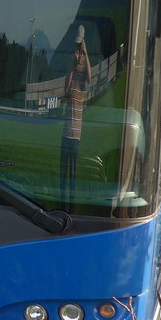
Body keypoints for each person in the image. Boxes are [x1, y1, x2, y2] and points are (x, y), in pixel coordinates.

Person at [60, 26, 93, 205]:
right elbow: (71, 75)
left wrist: (86, 54)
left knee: (73, 133)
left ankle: (68, 189)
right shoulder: (76, 58)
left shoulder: (81, 58)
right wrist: (66, 93)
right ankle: (68, 191)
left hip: (78, 98)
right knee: (70, 130)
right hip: (75, 97)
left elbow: (87, 77)